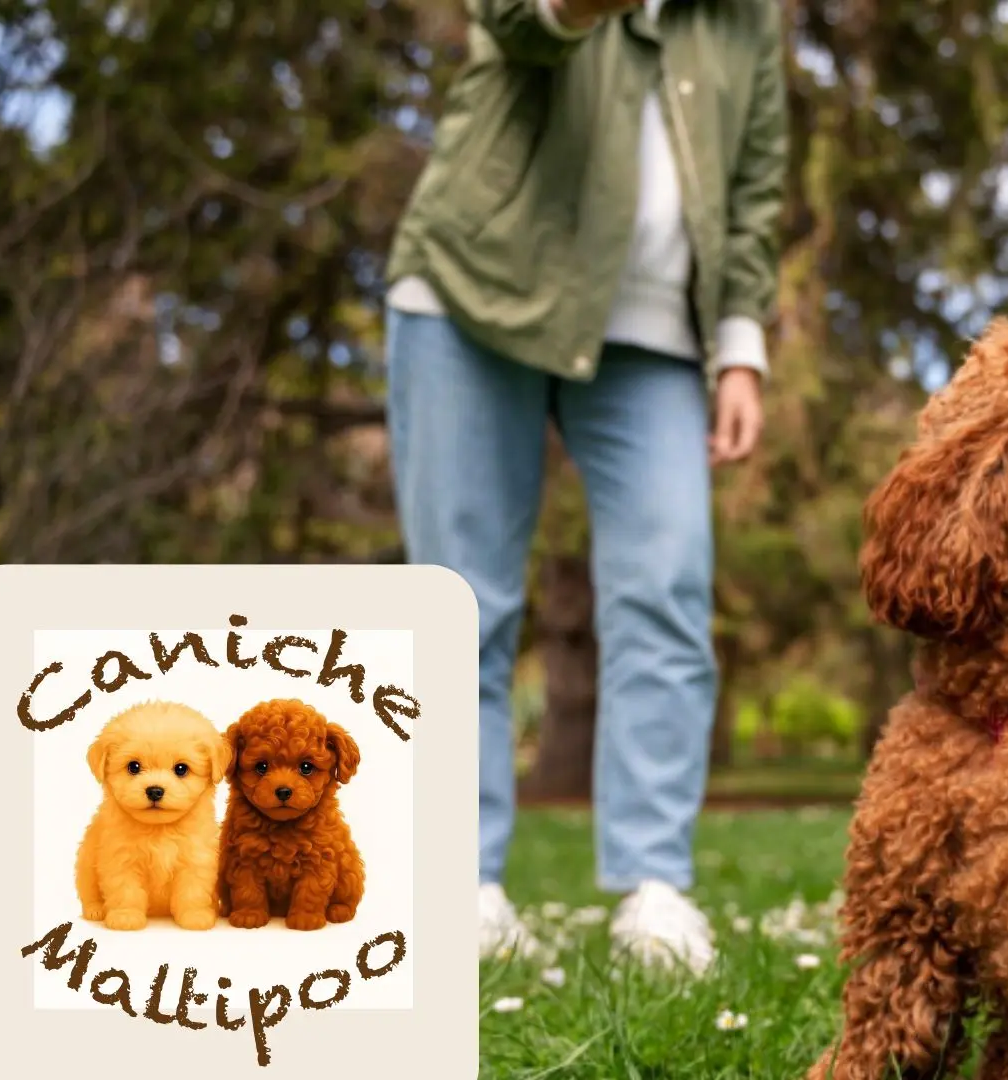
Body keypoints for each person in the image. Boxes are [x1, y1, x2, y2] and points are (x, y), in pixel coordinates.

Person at [381, 0, 787, 974]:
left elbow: (756, 184)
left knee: (668, 590)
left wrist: (740, 344)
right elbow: (517, 22)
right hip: (474, 295)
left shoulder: (745, 19)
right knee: (461, 605)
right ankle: (461, 890)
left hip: (649, 336)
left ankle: (654, 890)